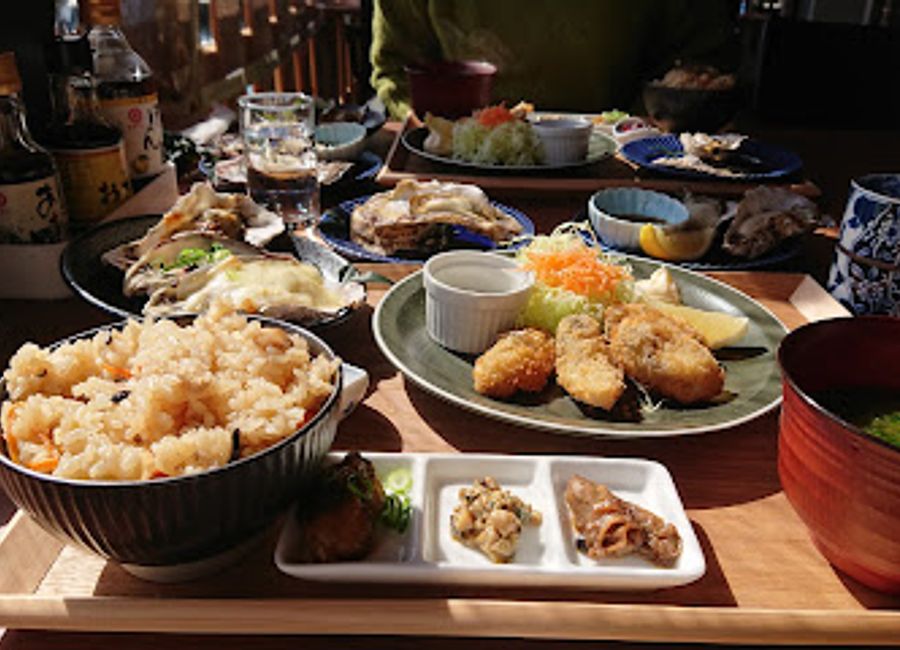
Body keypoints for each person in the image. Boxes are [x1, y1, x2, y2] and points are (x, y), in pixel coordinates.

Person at [370, 0, 738, 119]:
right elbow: (396, 72)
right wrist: (448, 141)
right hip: (455, 173)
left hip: (623, 168)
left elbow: (698, 58)